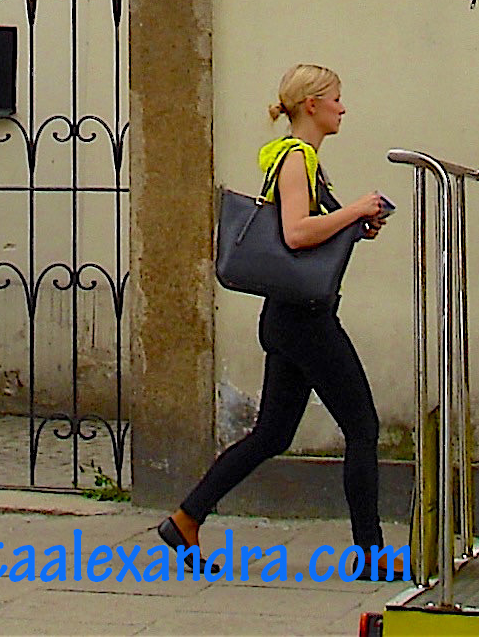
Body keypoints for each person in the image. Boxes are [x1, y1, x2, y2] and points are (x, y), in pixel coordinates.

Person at [156, 63, 392, 577]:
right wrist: (354, 210)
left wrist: (354, 225)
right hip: (306, 322)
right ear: (312, 105)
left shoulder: (301, 160)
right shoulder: (296, 158)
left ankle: (185, 519)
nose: (343, 108)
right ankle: (370, 557)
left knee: (272, 435)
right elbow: (296, 234)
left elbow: (312, 231)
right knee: (362, 427)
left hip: (288, 318)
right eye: (336, 98)